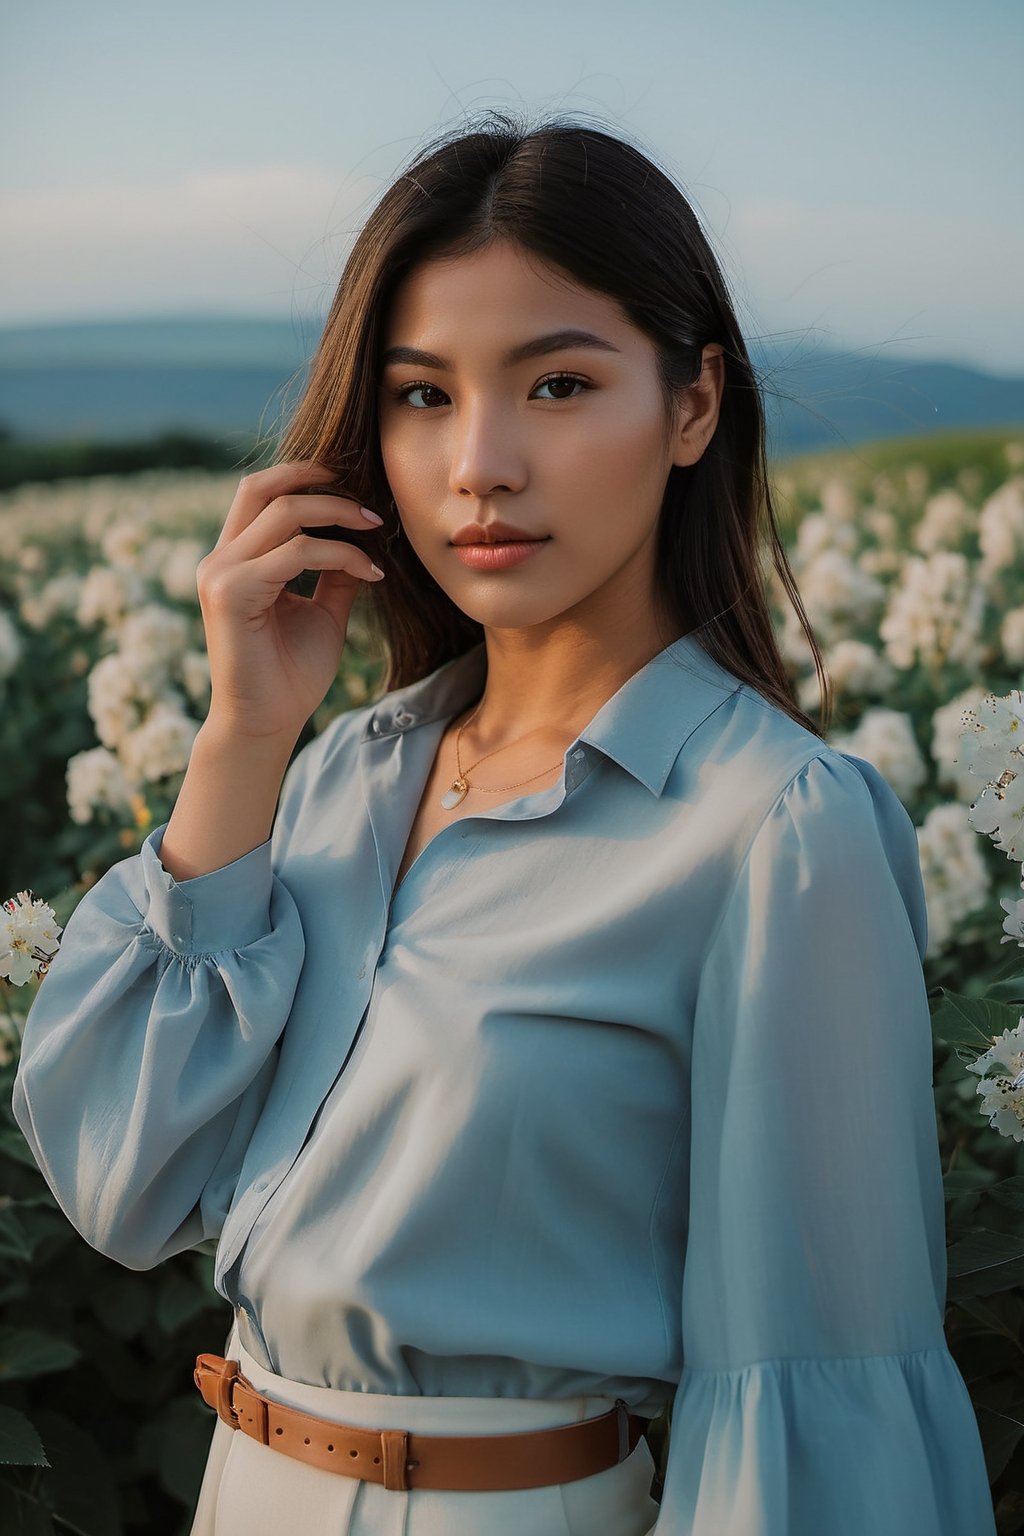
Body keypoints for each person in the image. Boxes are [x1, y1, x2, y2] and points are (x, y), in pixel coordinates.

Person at [12, 110, 996, 1536]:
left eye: (557, 384)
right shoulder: (344, 773)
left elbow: (816, 1387)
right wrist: (242, 737)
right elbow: (121, 1179)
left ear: (696, 405)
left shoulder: (775, 829)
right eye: (421, 396)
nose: (479, 463)